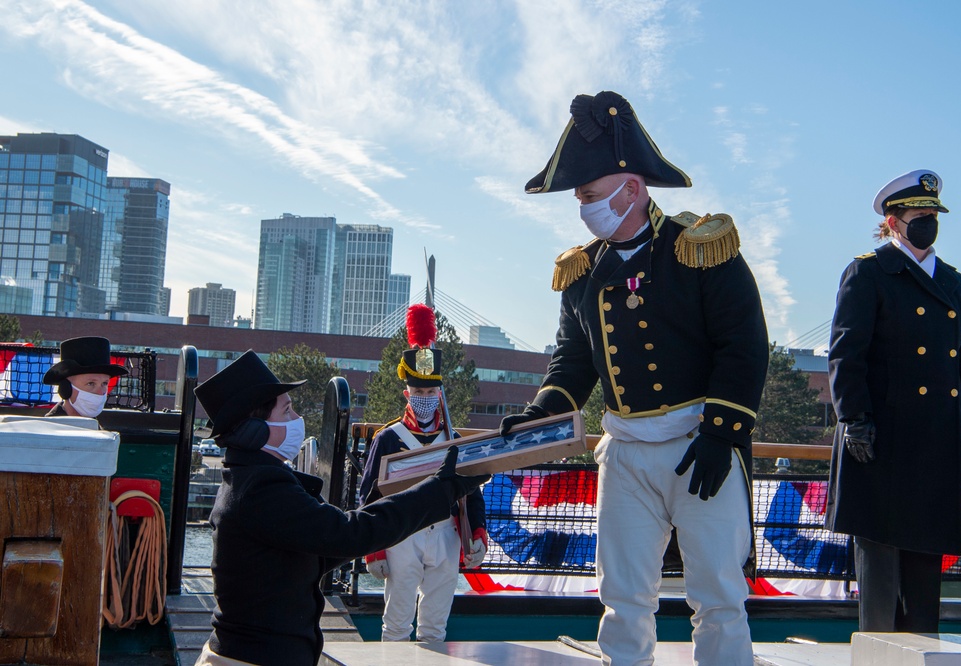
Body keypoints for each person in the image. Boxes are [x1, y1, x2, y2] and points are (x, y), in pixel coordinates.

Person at [501, 90, 769, 666]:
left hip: (701, 444)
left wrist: (723, 433)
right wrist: (540, 414)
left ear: (632, 186)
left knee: (720, 596)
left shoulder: (701, 249)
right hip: (623, 451)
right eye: (579, 198)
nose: (584, 208)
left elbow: (742, 346)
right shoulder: (582, 275)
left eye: (591, 195)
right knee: (622, 598)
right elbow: (572, 364)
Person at [192, 350, 488, 666]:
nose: (297, 420)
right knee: (398, 623)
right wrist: (440, 490)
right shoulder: (262, 489)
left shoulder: (252, 480)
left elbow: (324, 548)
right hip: (251, 660)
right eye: (287, 411)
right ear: (255, 429)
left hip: (257, 656)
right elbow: (350, 533)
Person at [825, 169, 961, 633]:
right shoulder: (869, 272)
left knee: (926, 554)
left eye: (933, 215)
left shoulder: (953, 281)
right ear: (894, 222)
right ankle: (878, 654)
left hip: (936, 434)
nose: (928, 222)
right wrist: (854, 417)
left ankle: (923, 646)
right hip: (879, 436)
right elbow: (847, 353)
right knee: (878, 557)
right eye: (920, 215)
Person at [359, 304, 487, 642]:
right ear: (408, 393)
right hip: (402, 533)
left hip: (445, 533)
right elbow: (369, 495)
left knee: (434, 628)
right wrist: (374, 550)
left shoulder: (454, 441)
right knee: (397, 625)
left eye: (431, 392)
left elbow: (472, 494)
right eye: (419, 392)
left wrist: (477, 534)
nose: (425, 398)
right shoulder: (388, 438)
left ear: (440, 393)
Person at [42, 336, 128, 418]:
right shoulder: (45, 431)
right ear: (65, 388)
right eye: (91, 383)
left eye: (104, 383)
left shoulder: (102, 433)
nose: (100, 392)